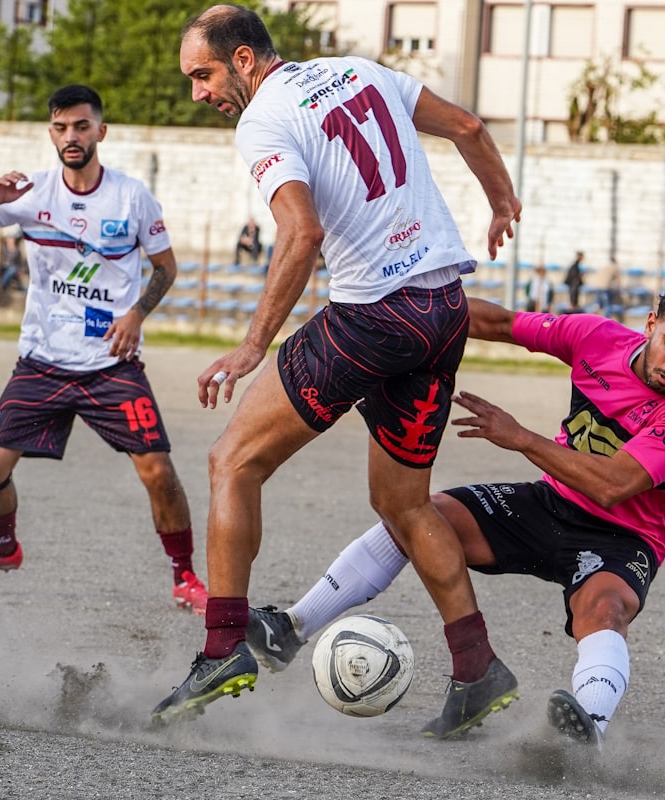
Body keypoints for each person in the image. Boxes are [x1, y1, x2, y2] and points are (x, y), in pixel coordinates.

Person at [153, 5, 521, 732]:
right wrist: (502, 199)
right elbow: (471, 128)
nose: (199, 92)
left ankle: (223, 647)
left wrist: (254, 344)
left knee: (233, 461)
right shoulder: (360, 71)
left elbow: (301, 230)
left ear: (246, 60)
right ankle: (478, 669)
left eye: (204, 74)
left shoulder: (261, 119)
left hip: (374, 318)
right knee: (405, 503)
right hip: (444, 308)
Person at [239, 277, 665, 747]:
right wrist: (410, 312)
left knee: (603, 612)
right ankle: (291, 628)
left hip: (623, 535)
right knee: (417, 517)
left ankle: (587, 731)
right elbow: (499, 324)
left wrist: (519, 438)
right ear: (650, 324)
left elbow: (613, 486)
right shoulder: (596, 337)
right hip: (549, 504)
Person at [0, 85, 207, 614]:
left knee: (159, 471)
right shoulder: (30, 193)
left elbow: (166, 267)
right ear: (51, 133)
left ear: (100, 132)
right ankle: (4, 549)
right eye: (61, 128)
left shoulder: (132, 198)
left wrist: (136, 313)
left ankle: (185, 577)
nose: (71, 137)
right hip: (41, 360)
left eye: (81, 127)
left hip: (111, 364)